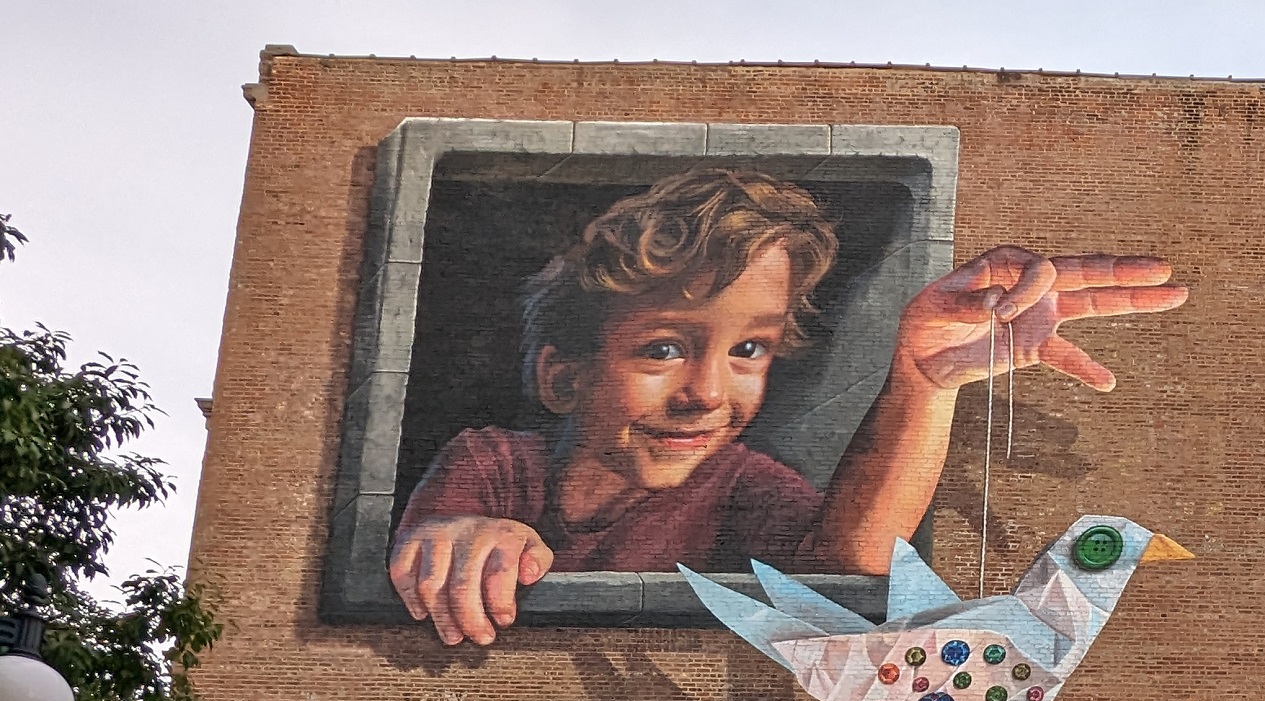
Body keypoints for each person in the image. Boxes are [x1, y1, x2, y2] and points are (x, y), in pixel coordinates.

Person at [389, 167, 1188, 647]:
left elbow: (843, 578)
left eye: (748, 351)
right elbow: (430, 540)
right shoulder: (490, 463)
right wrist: (452, 538)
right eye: (664, 348)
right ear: (563, 378)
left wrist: (921, 380)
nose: (707, 392)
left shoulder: (743, 484)